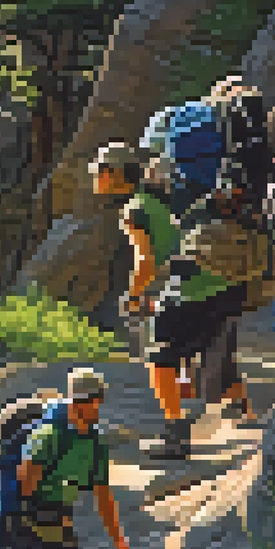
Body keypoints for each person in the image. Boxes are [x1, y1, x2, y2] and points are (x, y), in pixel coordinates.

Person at [91, 142, 248, 459]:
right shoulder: (158, 198)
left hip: (193, 288)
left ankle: (175, 436)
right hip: (221, 282)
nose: (95, 178)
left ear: (111, 174)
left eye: (98, 172)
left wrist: (133, 295)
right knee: (211, 349)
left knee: (158, 360)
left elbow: (146, 261)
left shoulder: (134, 209)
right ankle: (246, 417)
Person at [1, 367, 128, 549]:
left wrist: (118, 538)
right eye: (87, 399)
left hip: (55, 517)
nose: (93, 404)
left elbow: (103, 493)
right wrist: (35, 514)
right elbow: (25, 478)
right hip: (23, 517)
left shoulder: (94, 441)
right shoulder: (48, 434)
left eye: (94, 398)